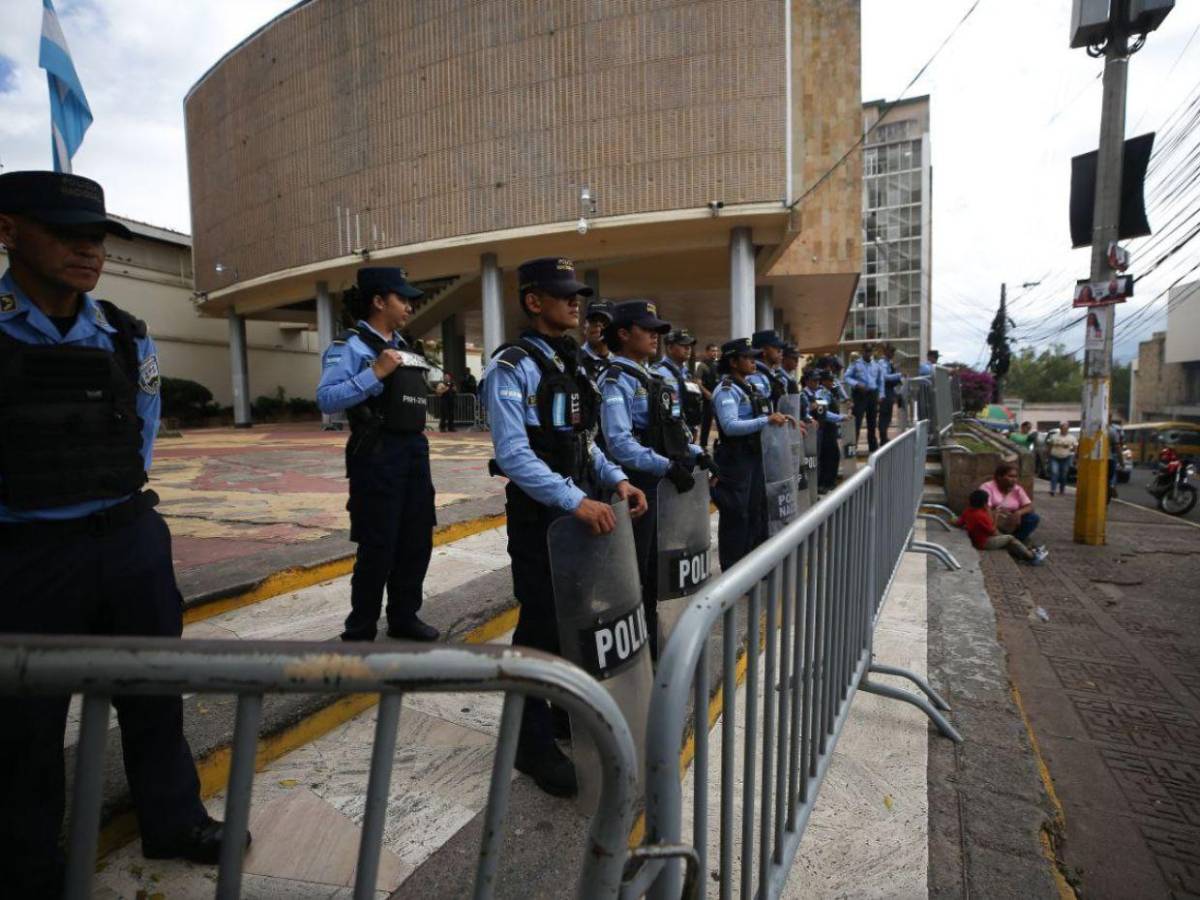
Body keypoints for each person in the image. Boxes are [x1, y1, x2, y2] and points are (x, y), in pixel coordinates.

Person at [0, 170, 246, 895]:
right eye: (65, 233)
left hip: (127, 542)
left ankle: (172, 820)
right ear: (9, 229)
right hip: (23, 556)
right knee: (23, 724)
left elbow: (138, 437)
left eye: (98, 237)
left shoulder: (125, 334)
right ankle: (28, 865)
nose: (88, 250)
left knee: (155, 691)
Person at [480, 256, 647, 797]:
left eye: (578, 294)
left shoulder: (572, 363)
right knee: (539, 627)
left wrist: (616, 479)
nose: (576, 302)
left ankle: (556, 713)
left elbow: (584, 441)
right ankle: (530, 745)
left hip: (578, 512)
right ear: (533, 301)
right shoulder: (513, 366)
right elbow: (513, 454)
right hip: (541, 518)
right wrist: (575, 499)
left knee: (569, 621)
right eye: (564, 294)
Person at [317, 267, 440, 643]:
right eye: (401, 298)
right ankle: (360, 628)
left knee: (416, 539)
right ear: (378, 300)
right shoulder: (349, 346)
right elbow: (327, 398)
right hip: (376, 452)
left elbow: (407, 395)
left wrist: (437, 389)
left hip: (414, 450)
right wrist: (375, 372)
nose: (408, 305)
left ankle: (404, 616)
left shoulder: (406, 345)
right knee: (379, 544)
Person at [600, 303, 708, 656]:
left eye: (658, 330)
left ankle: (651, 640)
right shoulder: (616, 379)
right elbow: (619, 442)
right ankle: (639, 650)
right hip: (634, 486)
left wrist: (696, 453)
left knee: (658, 567)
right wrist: (666, 466)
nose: (655, 336)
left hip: (660, 481)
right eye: (647, 329)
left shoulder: (652, 378)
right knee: (637, 572)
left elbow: (671, 430)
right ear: (623, 334)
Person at [710, 337, 793, 568]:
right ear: (733, 362)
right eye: (747, 357)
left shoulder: (750, 386)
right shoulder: (727, 390)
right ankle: (732, 572)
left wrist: (779, 419)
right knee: (737, 516)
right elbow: (730, 426)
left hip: (754, 458)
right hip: (735, 461)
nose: (753, 361)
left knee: (755, 512)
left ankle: (750, 568)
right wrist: (765, 420)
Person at [956, 490, 1047, 565]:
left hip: (979, 539)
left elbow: (959, 522)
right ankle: (1033, 557)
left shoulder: (968, 511)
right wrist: (995, 516)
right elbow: (993, 531)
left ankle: (1027, 552)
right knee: (1010, 538)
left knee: (1007, 538)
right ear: (984, 503)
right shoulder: (980, 515)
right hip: (984, 542)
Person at [656, 328, 703, 441]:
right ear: (670, 348)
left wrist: (694, 427)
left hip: (687, 429)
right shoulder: (658, 373)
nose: (688, 349)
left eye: (690, 345)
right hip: (669, 432)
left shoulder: (686, 373)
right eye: (683, 345)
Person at [980, 462, 1041, 545]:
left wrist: (1018, 513)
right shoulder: (987, 487)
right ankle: (1006, 540)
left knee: (1033, 518)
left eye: (1016, 476)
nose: (1014, 479)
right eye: (1010, 476)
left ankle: (1015, 540)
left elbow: (1030, 506)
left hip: (1011, 521)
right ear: (999, 477)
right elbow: (986, 509)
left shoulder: (1017, 489)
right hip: (993, 520)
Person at [845, 342, 883, 453]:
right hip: (859, 395)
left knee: (872, 424)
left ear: (872, 352)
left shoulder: (876, 365)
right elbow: (847, 377)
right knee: (856, 423)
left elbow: (880, 381)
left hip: (872, 395)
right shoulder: (855, 364)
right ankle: (852, 450)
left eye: (870, 351)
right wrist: (856, 384)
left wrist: (881, 395)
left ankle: (873, 449)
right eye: (866, 351)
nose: (868, 353)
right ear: (862, 352)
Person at [814, 368, 846, 493]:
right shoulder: (821, 393)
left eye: (832, 379)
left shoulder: (830, 391)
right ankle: (824, 483)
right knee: (828, 456)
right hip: (825, 428)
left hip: (831, 428)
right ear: (823, 381)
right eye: (829, 380)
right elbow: (824, 414)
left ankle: (830, 482)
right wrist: (840, 418)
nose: (832, 382)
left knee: (833, 456)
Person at [748, 329, 790, 409]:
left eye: (781, 348)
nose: (780, 351)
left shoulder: (773, 375)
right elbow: (761, 410)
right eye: (776, 347)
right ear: (764, 350)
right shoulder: (755, 375)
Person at [577, 298, 614, 383]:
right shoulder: (573, 360)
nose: (598, 325)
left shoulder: (619, 361)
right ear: (584, 327)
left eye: (604, 321)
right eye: (593, 320)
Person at [876, 344, 902, 446]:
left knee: (887, 416)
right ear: (886, 352)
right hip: (885, 391)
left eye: (893, 352)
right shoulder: (883, 363)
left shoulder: (888, 362)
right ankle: (883, 439)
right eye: (891, 352)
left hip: (889, 391)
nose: (892, 354)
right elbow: (885, 377)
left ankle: (884, 437)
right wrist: (899, 375)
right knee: (884, 415)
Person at [696, 342, 721, 448]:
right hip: (708, 399)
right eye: (712, 351)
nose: (715, 353)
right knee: (706, 424)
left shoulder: (717, 365)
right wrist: (706, 392)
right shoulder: (702, 366)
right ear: (707, 352)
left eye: (716, 351)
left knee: (721, 423)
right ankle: (703, 446)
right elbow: (697, 381)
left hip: (718, 398)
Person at [1046, 422, 1077, 496]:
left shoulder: (1072, 438)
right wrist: (1048, 455)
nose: (1064, 430)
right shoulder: (1054, 436)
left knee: (1064, 474)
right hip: (1054, 457)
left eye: (1066, 429)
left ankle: (1062, 489)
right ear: (1060, 429)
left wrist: (1072, 452)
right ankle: (1053, 489)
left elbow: (1075, 448)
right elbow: (1049, 446)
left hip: (1066, 458)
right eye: (1063, 428)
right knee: (1054, 472)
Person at [1108, 417, 1125, 501]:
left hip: (1095, 459)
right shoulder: (1112, 430)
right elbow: (1118, 447)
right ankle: (1111, 485)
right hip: (1110, 457)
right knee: (1111, 475)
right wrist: (1122, 462)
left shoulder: (1092, 428)